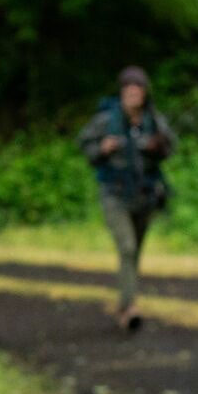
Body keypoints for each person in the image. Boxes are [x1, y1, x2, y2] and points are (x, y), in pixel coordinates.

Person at [78, 66, 176, 331]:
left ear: (145, 93)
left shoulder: (153, 119)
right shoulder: (107, 120)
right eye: (128, 90)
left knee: (134, 253)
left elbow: (171, 147)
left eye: (138, 90)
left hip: (144, 195)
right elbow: (84, 144)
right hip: (114, 194)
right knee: (127, 248)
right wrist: (103, 148)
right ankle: (129, 307)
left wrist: (159, 145)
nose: (133, 94)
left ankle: (125, 302)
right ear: (122, 92)